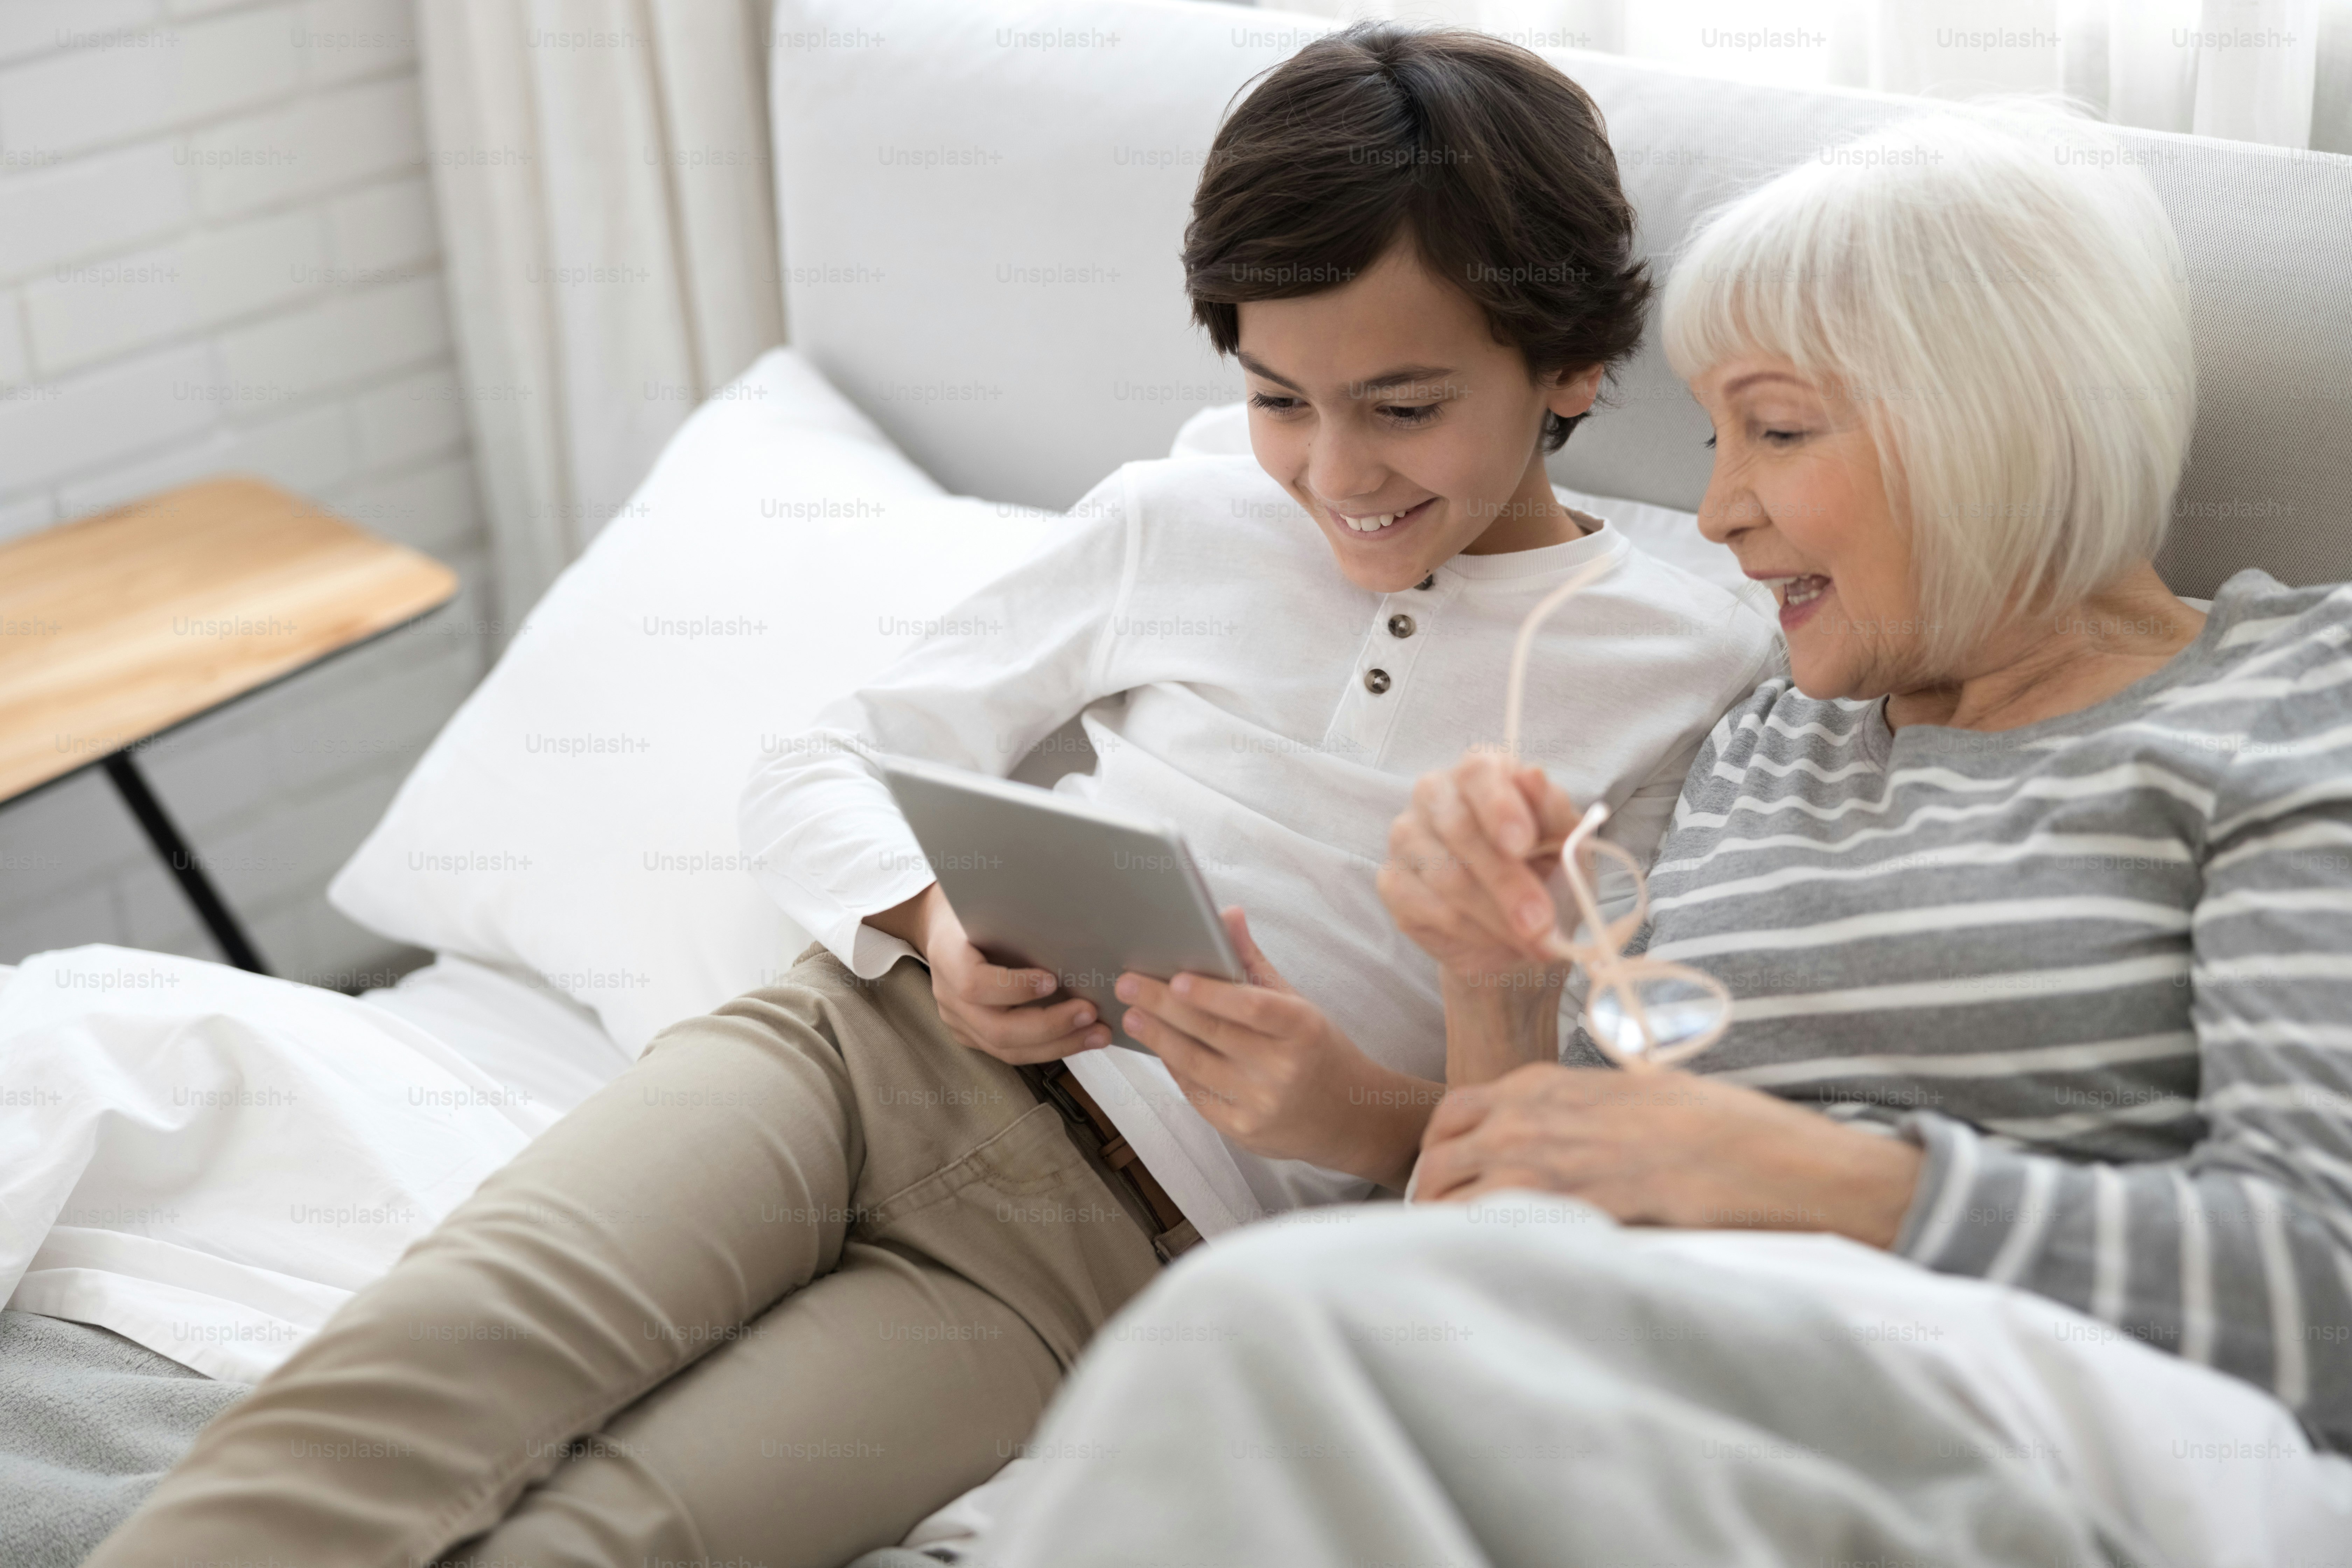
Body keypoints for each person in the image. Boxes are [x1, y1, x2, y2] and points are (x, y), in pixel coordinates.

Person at [87, 27, 1771, 1568]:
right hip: (858, 1048)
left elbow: (1572, 1167)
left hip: (1102, 1255)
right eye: (1279, 400)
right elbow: (816, 761)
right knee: (403, 1382)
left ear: (1566, 366)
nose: (1336, 476)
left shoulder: (1683, 667)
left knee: (617, 1540)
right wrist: (939, 918)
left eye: (1403, 409)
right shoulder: (1174, 520)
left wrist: (1351, 1113)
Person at [934, 104, 2352, 1565]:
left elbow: (2323, 1293)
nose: (1722, 511)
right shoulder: (1761, 738)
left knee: (1252, 1330)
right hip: (1654, 1377)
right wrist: (1497, 986)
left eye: (1779, 430)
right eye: (1717, 437)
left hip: (2032, 1409)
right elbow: (1515, 1207)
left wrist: (1809, 1178)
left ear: (1999, 419)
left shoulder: (2298, 703)